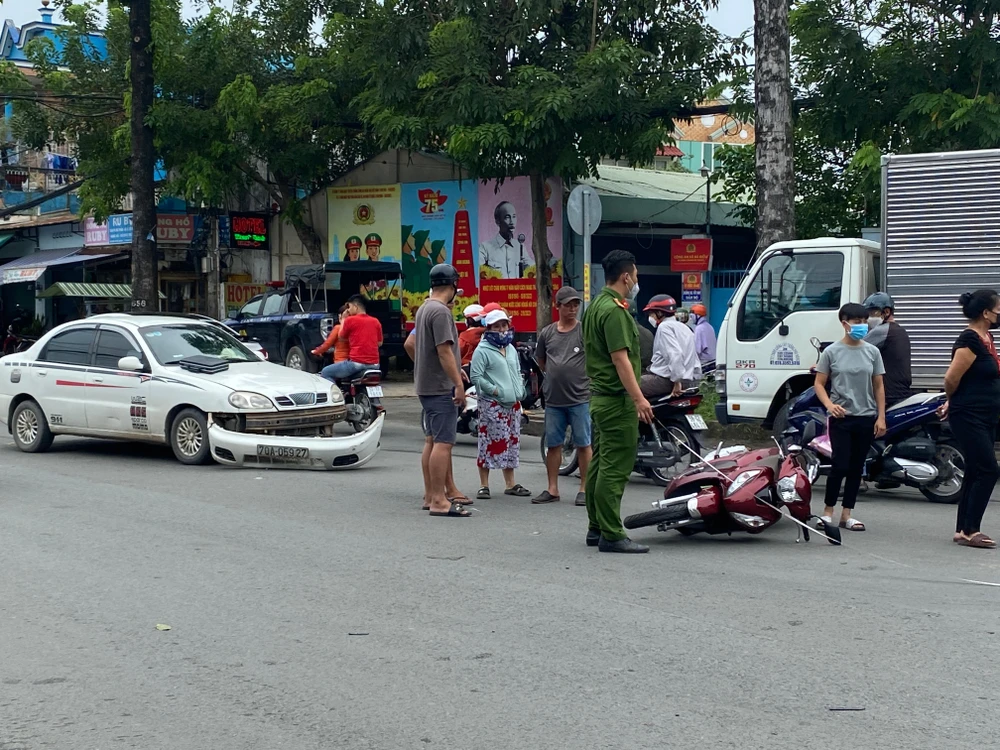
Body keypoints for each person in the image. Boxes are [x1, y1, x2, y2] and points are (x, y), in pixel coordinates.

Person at [582, 249, 654, 553]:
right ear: (626, 276)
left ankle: (596, 527)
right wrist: (639, 399)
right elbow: (620, 359)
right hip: (616, 400)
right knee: (615, 467)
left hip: (600, 398)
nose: (636, 280)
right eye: (635, 275)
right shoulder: (614, 311)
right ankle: (611, 533)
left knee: (600, 464)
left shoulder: (595, 306)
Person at [814, 302, 887, 532]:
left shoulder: (872, 352)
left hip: (866, 417)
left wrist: (881, 417)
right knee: (840, 465)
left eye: (864, 321)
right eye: (857, 322)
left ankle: (847, 514)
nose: (862, 326)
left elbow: (879, 386)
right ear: (844, 323)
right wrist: (829, 404)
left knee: (857, 468)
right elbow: (819, 383)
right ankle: (827, 512)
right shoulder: (831, 352)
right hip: (842, 419)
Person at [942, 290, 1000, 548]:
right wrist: (951, 400)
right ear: (986, 313)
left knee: (976, 469)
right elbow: (951, 378)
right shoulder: (969, 340)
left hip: (986, 414)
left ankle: (961, 529)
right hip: (968, 414)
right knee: (989, 469)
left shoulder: (986, 337)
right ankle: (971, 529)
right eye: (998, 309)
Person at [414, 264, 472, 517]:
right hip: (439, 387)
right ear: (453, 286)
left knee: (431, 441)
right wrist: (457, 384)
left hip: (426, 385)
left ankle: (430, 495)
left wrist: (455, 370)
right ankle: (439, 500)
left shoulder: (425, 308)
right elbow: (444, 350)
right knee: (444, 443)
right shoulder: (441, 312)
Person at [533, 286, 591, 506]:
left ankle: (584, 488)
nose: (573, 309)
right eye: (568, 305)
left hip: (579, 398)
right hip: (554, 400)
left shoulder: (584, 331)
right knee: (554, 444)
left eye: (576, 304)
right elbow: (541, 361)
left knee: (583, 443)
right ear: (558, 306)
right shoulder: (547, 333)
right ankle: (552, 488)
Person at [470, 308, 530, 499]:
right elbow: (476, 377)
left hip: (512, 404)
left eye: (504, 325)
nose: (502, 329)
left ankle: (510, 483)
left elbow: (517, 371)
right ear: (489, 328)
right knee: (489, 443)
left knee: (511, 442)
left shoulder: (510, 348)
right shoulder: (482, 350)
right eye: (497, 326)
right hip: (492, 404)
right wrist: (496, 391)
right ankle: (484, 485)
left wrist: (520, 389)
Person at [640, 294, 701, 398]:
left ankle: (639, 412)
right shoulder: (684, 327)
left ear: (659, 313)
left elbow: (674, 354)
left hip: (670, 380)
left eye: (651, 314)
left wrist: (677, 381)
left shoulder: (664, 327)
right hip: (689, 379)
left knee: (629, 385)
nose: (650, 317)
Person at [862, 292, 911, 408]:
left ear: (887, 312)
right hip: (900, 392)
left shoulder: (883, 330)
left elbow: (855, 348)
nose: (869, 317)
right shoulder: (900, 330)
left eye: (873, 312)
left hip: (888, 394)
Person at [318, 295, 382, 381]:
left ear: (355, 306)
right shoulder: (375, 321)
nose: (348, 310)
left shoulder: (350, 320)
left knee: (326, 372)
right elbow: (379, 343)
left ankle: (336, 394)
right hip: (375, 365)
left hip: (356, 364)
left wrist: (344, 319)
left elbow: (341, 337)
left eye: (349, 306)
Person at [479, 201, 529, 279]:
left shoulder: (520, 246)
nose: (512, 222)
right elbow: (479, 273)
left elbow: (532, 270)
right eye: (507, 217)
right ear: (497, 221)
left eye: (514, 216)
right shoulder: (485, 248)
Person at [690, 303, 717, 367]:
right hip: (713, 361)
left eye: (692, 316)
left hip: (704, 363)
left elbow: (697, 350)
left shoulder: (699, 328)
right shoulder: (709, 326)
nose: (691, 319)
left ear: (697, 316)